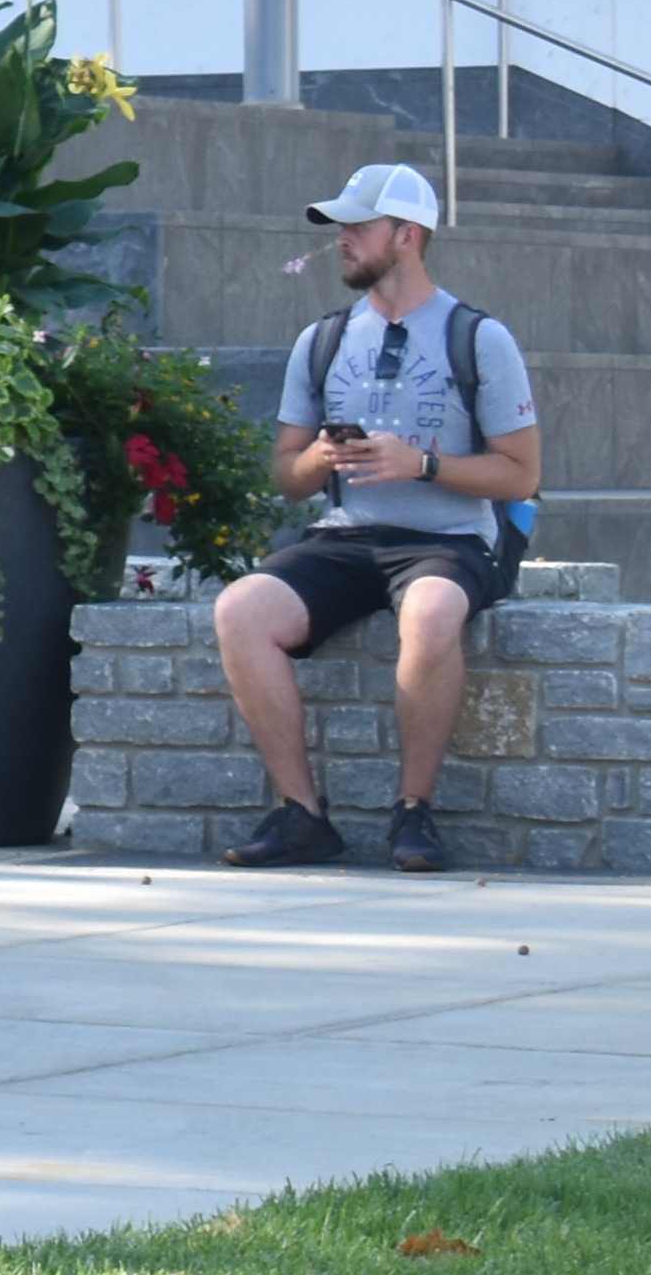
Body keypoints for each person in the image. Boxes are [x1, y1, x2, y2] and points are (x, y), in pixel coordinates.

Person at [213, 163, 544, 874]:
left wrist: (421, 464)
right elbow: (287, 475)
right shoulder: (322, 339)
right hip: (346, 536)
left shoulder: (479, 337)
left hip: (449, 540)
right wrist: (324, 458)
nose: (343, 240)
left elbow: (522, 474)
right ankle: (302, 814)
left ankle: (413, 811)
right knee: (240, 609)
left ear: (408, 235)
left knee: (427, 616)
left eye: (358, 227)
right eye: (340, 228)